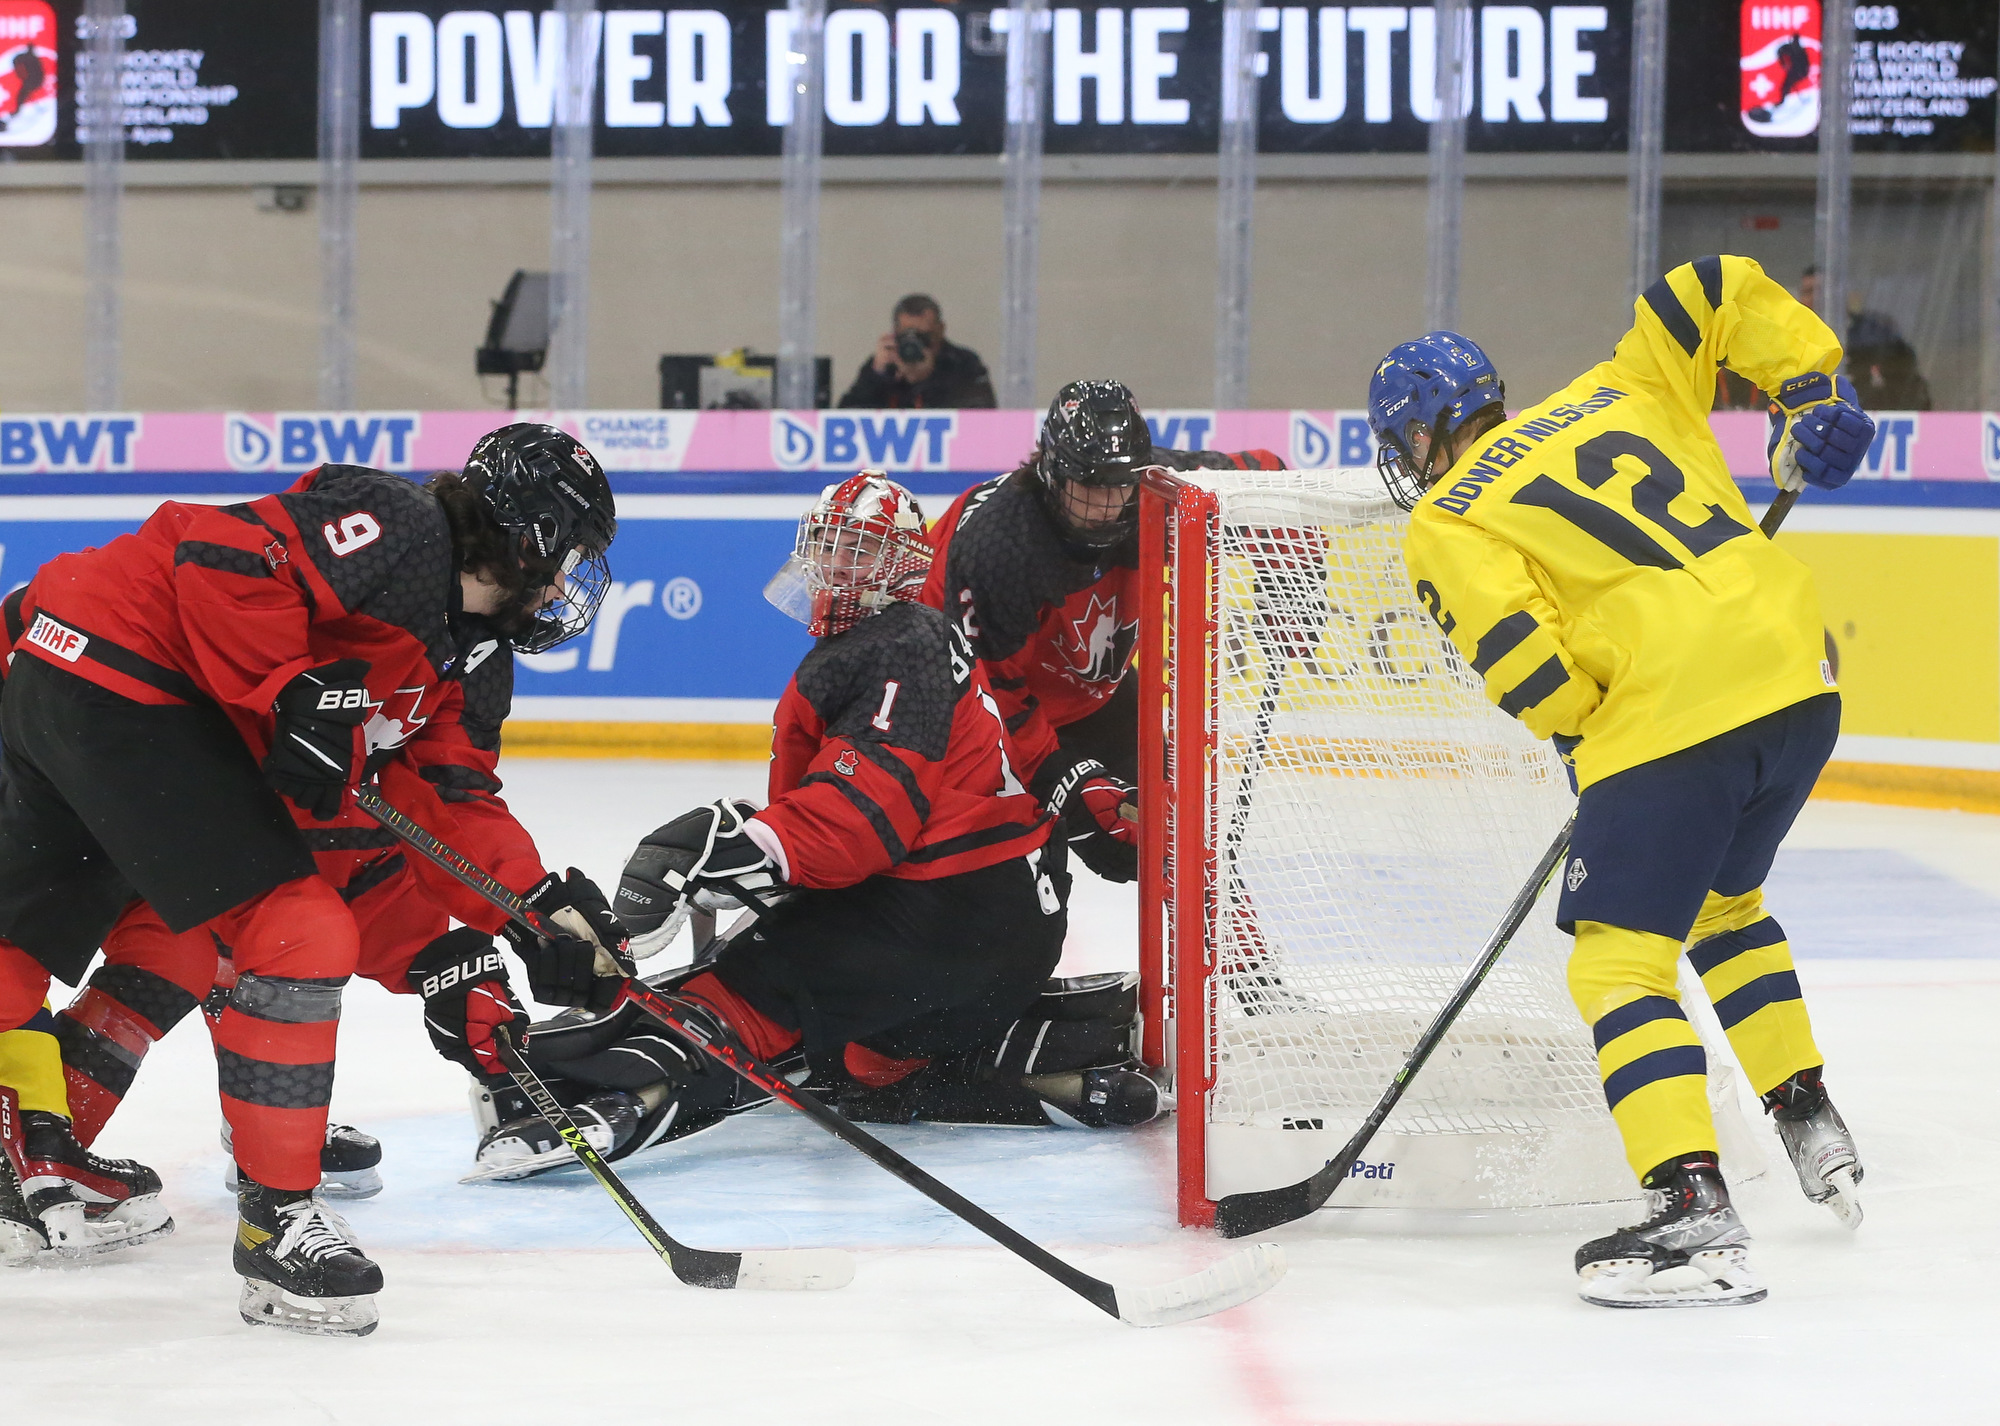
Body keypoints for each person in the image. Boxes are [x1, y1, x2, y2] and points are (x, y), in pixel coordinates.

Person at [0, 422, 629, 1335]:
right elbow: (219, 553)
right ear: (531, 532)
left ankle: (27, 1158)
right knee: (298, 931)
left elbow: (447, 797)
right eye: (571, 552)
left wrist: (532, 910)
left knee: (101, 930)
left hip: (63, 668)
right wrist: (286, 684)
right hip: (121, 671)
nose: (571, 579)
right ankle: (276, 1228)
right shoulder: (404, 526)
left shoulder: (473, 661)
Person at [1366, 255, 1876, 1308]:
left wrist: (1593, 737)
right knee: (1723, 904)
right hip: (1799, 677)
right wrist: (1811, 388)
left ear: (1420, 434)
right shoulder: (1620, 384)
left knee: (1616, 970)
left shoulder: (1445, 516)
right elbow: (1710, 285)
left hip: (1676, 722)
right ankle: (1805, 1113)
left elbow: (1533, 672)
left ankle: (1690, 1206)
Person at [466, 473, 1162, 1180]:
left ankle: (599, 1092)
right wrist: (763, 855)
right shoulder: (915, 640)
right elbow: (841, 822)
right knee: (858, 1065)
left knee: (754, 987)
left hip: (949, 913)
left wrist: (737, 846)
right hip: (1008, 933)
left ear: (899, 567)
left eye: (856, 550)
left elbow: (861, 821)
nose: (832, 564)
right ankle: (1045, 1049)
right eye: (827, 544)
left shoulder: (898, 643)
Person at [920, 379, 1283, 882]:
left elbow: (1268, 478)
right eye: (1089, 488)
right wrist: (1065, 778)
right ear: (1050, 470)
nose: (1106, 507)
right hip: (969, 710)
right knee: (1005, 868)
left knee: (1162, 842)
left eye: (1119, 486)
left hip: (1088, 697)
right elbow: (989, 693)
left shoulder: (1156, 483)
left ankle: (1215, 960)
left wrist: (1291, 570)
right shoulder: (1001, 547)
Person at [838, 294, 996, 410]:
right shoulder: (885, 363)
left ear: (940, 330)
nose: (916, 343)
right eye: (907, 335)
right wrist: (876, 375)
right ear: (895, 333)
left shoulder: (963, 362)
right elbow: (845, 419)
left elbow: (980, 418)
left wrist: (926, 381)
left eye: (924, 336)